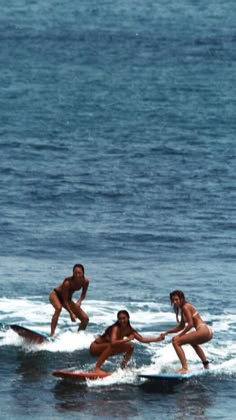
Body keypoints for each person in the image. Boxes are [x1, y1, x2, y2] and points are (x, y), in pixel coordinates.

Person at [90, 310, 163, 373]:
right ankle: (97, 368)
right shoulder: (116, 328)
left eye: (124, 318)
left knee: (130, 346)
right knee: (112, 345)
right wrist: (127, 339)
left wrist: (157, 339)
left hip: (106, 350)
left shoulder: (129, 330)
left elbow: (142, 339)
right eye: (120, 319)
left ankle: (123, 367)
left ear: (128, 318)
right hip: (95, 348)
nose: (122, 321)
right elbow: (113, 343)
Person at [161, 290, 213, 373]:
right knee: (193, 342)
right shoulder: (183, 308)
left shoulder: (185, 307)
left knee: (176, 341)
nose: (174, 302)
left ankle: (185, 368)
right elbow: (181, 326)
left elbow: (191, 324)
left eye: (176, 300)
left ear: (181, 299)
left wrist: (180, 335)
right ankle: (206, 364)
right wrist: (168, 332)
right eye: (173, 300)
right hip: (207, 331)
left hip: (203, 330)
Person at [49, 264, 89, 336]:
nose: (77, 275)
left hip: (67, 299)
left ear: (83, 273)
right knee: (58, 308)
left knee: (85, 319)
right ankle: (52, 334)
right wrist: (71, 313)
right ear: (73, 273)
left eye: (79, 273)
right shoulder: (67, 282)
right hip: (56, 295)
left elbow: (83, 294)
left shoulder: (85, 281)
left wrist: (79, 301)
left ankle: (79, 336)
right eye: (75, 273)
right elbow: (64, 300)